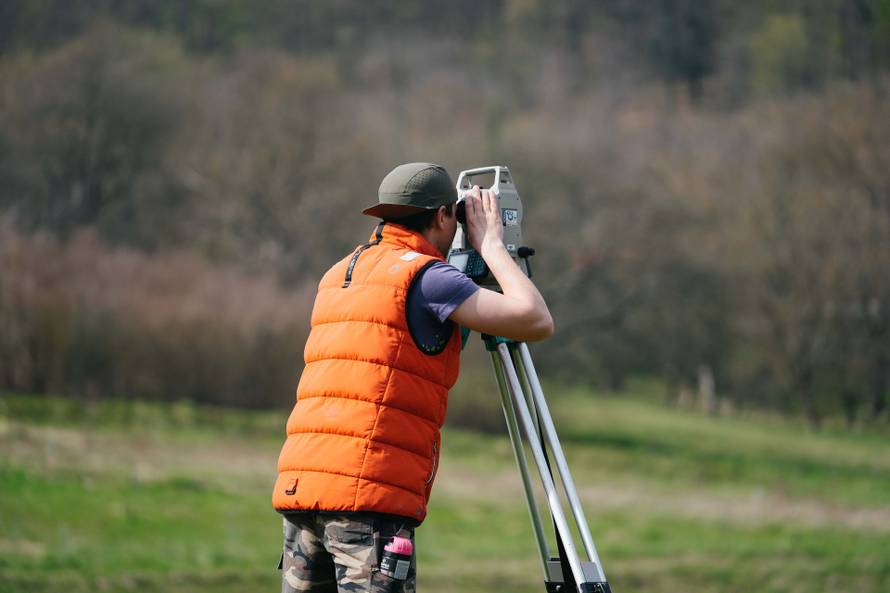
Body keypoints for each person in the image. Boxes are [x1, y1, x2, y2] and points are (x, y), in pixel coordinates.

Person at [273, 162, 553, 592]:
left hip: (303, 489)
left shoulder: (340, 274)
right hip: (367, 498)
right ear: (443, 215)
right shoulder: (427, 278)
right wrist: (492, 246)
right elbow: (535, 319)